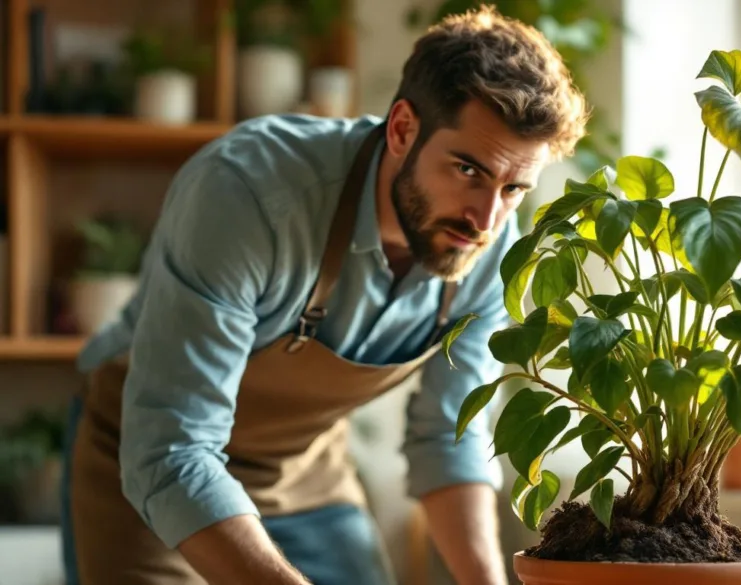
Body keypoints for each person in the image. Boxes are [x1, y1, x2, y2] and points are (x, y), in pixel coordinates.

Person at [58, 6, 589, 585]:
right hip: (149, 458)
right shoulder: (248, 194)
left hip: (304, 471)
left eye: (513, 188)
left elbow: (446, 437)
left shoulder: (491, 244)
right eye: (467, 170)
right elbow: (173, 448)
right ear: (403, 129)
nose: (485, 217)